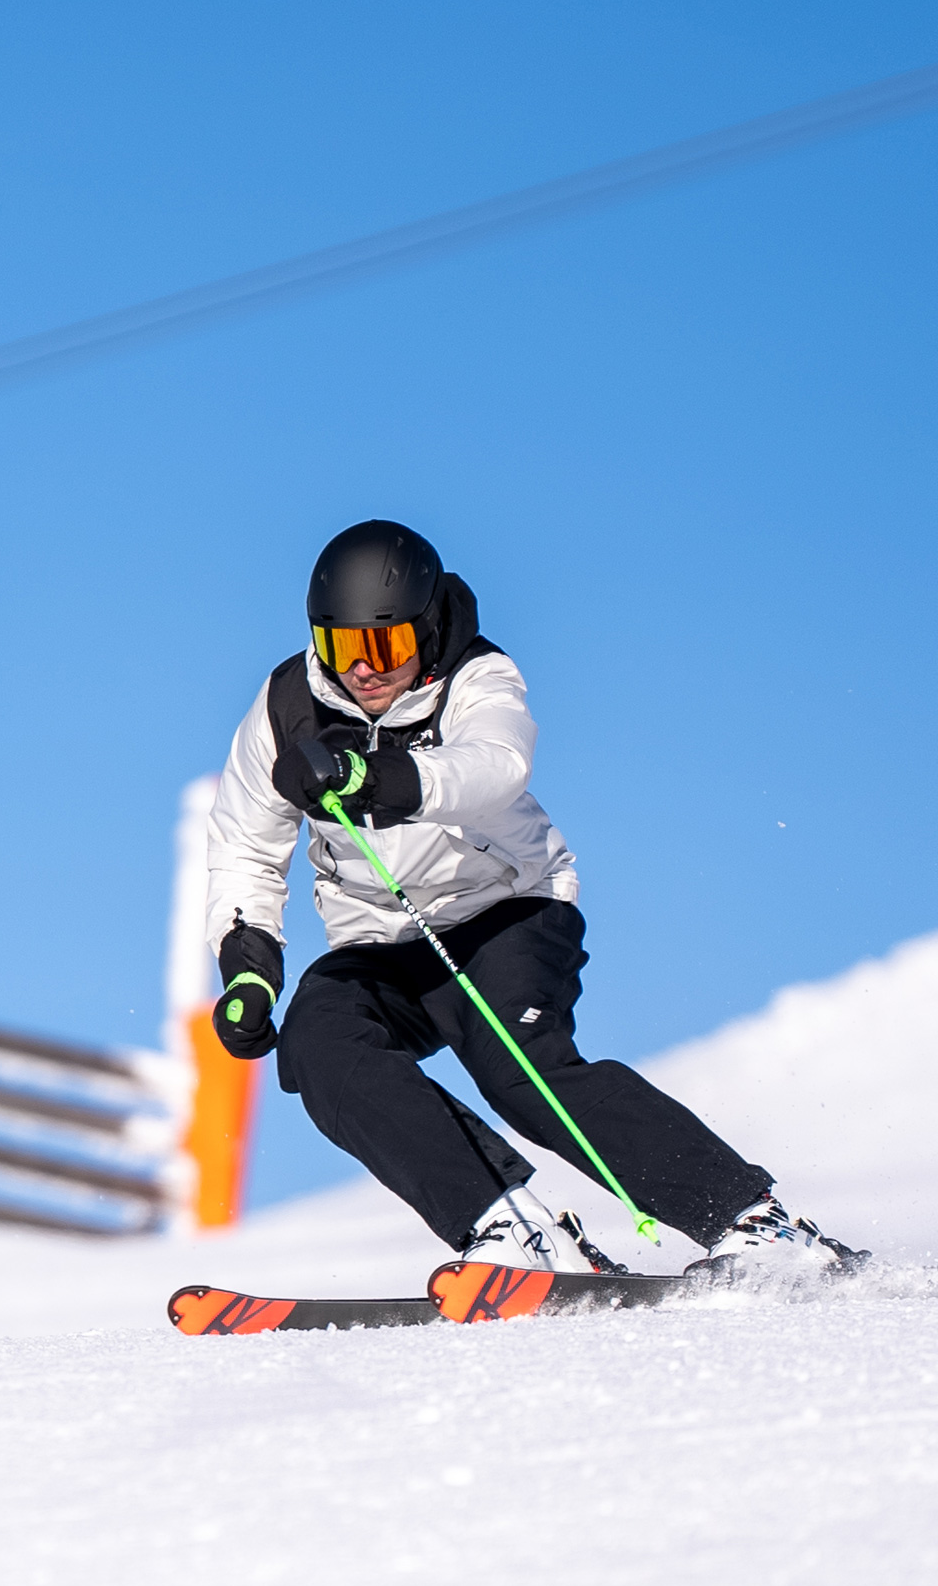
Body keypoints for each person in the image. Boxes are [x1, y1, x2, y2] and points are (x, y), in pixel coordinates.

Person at [206, 519, 859, 1277]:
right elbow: (245, 846)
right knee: (320, 1045)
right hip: (381, 945)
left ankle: (756, 1222)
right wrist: (249, 965)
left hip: (506, 912)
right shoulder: (287, 707)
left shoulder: (477, 677)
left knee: (517, 1069)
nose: (365, 671)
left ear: (424, 628)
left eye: (383, 648)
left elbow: (495, 767)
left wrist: (379, 779)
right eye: (342, 648)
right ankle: (510, 1224)